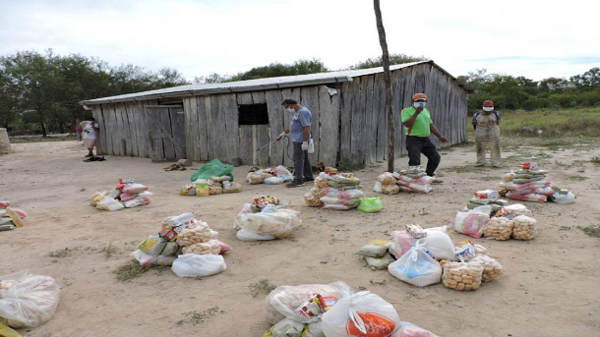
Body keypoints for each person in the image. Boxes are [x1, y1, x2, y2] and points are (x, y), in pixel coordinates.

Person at [401, 93, 448, 180]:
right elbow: (407, 124)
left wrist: (439, 136)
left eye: (423, 101)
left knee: (435, 158)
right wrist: (416, 113)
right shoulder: (406, 111)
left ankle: (428, 176)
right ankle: (415, 180)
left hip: (426, 139)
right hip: (413, 139)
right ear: (413, 101)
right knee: (415, 161)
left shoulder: (426, 111)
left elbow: (430, 125)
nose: (421, 102)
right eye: (418, 101)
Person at [277, 99, 313, 188]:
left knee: (298, 159)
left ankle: (299, 180)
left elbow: (307, 128)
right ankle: (308, 177)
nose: (287, 109)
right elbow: (293, 124)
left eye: (286, 107)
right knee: (304, 158)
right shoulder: (297, 112)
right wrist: (283, 133)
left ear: (291, 105)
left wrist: (305, 142)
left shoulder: (303, 112)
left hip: (300, 140)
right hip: (298, 139)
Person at [472, 100, 501, 167]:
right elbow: (474, 124)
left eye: (490, 107)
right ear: (483, 107)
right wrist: (476, 132)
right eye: (487, 107)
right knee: (480, 148)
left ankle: (496, 163)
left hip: (493, 134)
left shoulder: (496, 114)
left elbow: (498, 123)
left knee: (495, 148)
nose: (488, 110)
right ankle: (480, 162)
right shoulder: (477, 115)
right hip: (480, 133)